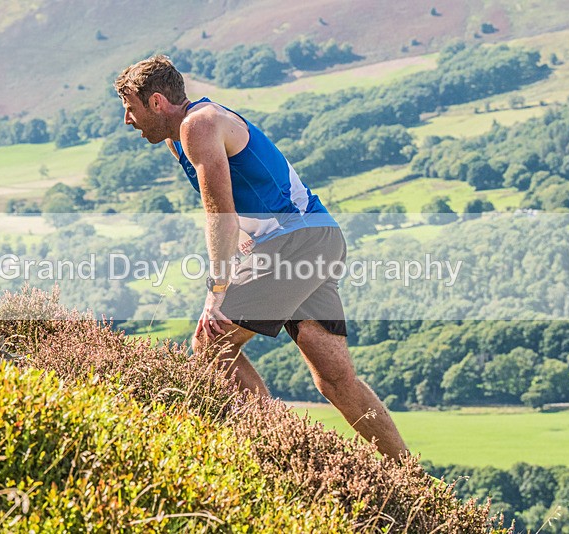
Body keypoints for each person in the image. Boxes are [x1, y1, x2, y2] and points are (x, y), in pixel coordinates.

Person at [114, 55, 408, 460]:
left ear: (158, 102)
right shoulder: (178, 138)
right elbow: (244, 199)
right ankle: (409, 474)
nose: (127, 120)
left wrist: (217, 289)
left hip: (294, 244)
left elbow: (219, 213)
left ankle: (284, 457)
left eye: (130, 108)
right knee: (336, 379)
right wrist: (247, 241)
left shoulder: (197, 125)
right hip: (317, 239)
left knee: (211, 343)